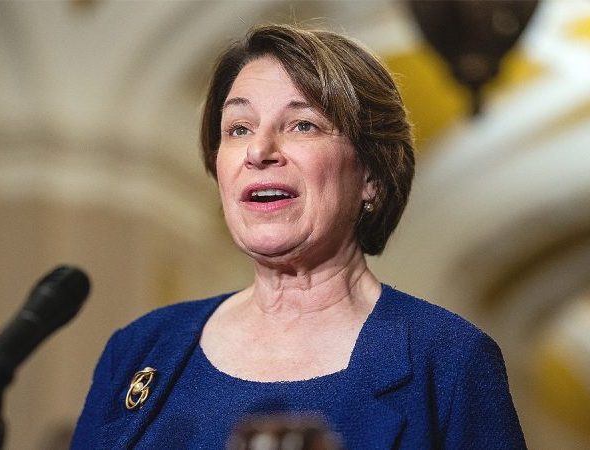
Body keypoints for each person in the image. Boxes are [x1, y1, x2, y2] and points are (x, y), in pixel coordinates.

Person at [71, 24, 526, 449]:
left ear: (371, 175)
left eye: (302, 125)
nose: (258, 151)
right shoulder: (139, 348)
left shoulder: (448, 360)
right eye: (239, 128)